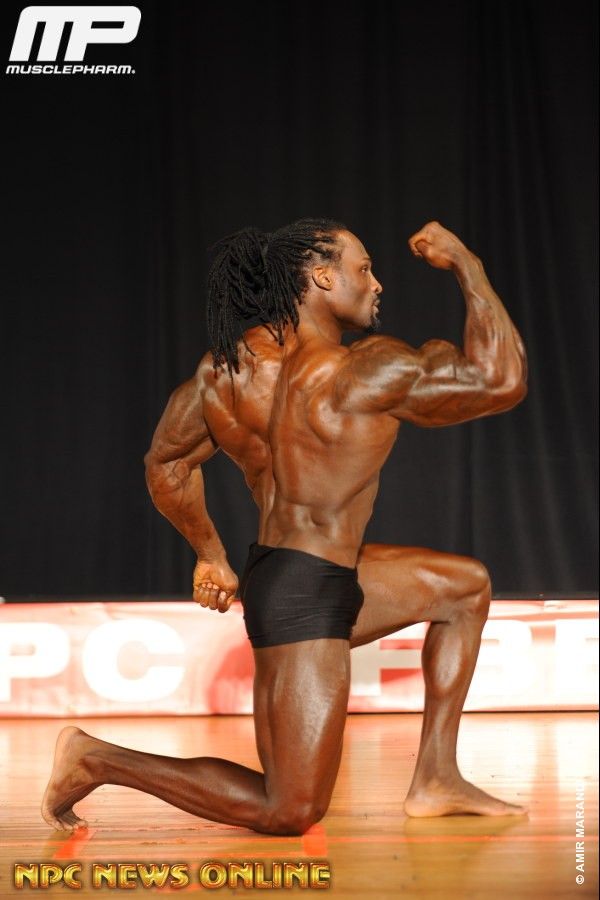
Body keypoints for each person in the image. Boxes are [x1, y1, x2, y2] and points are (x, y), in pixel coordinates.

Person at [42, 219, 528, 834]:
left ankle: (436, 775)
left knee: (464, 588)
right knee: (290, 808)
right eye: (363, 269)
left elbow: (166, 464)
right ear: (322, 277)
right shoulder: (364, 369)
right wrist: (465, 262)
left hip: (306, 573)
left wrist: (210, 554)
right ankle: (96, 759)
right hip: (303, 592)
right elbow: (501, 380)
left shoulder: (227, 370)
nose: (376, 283)